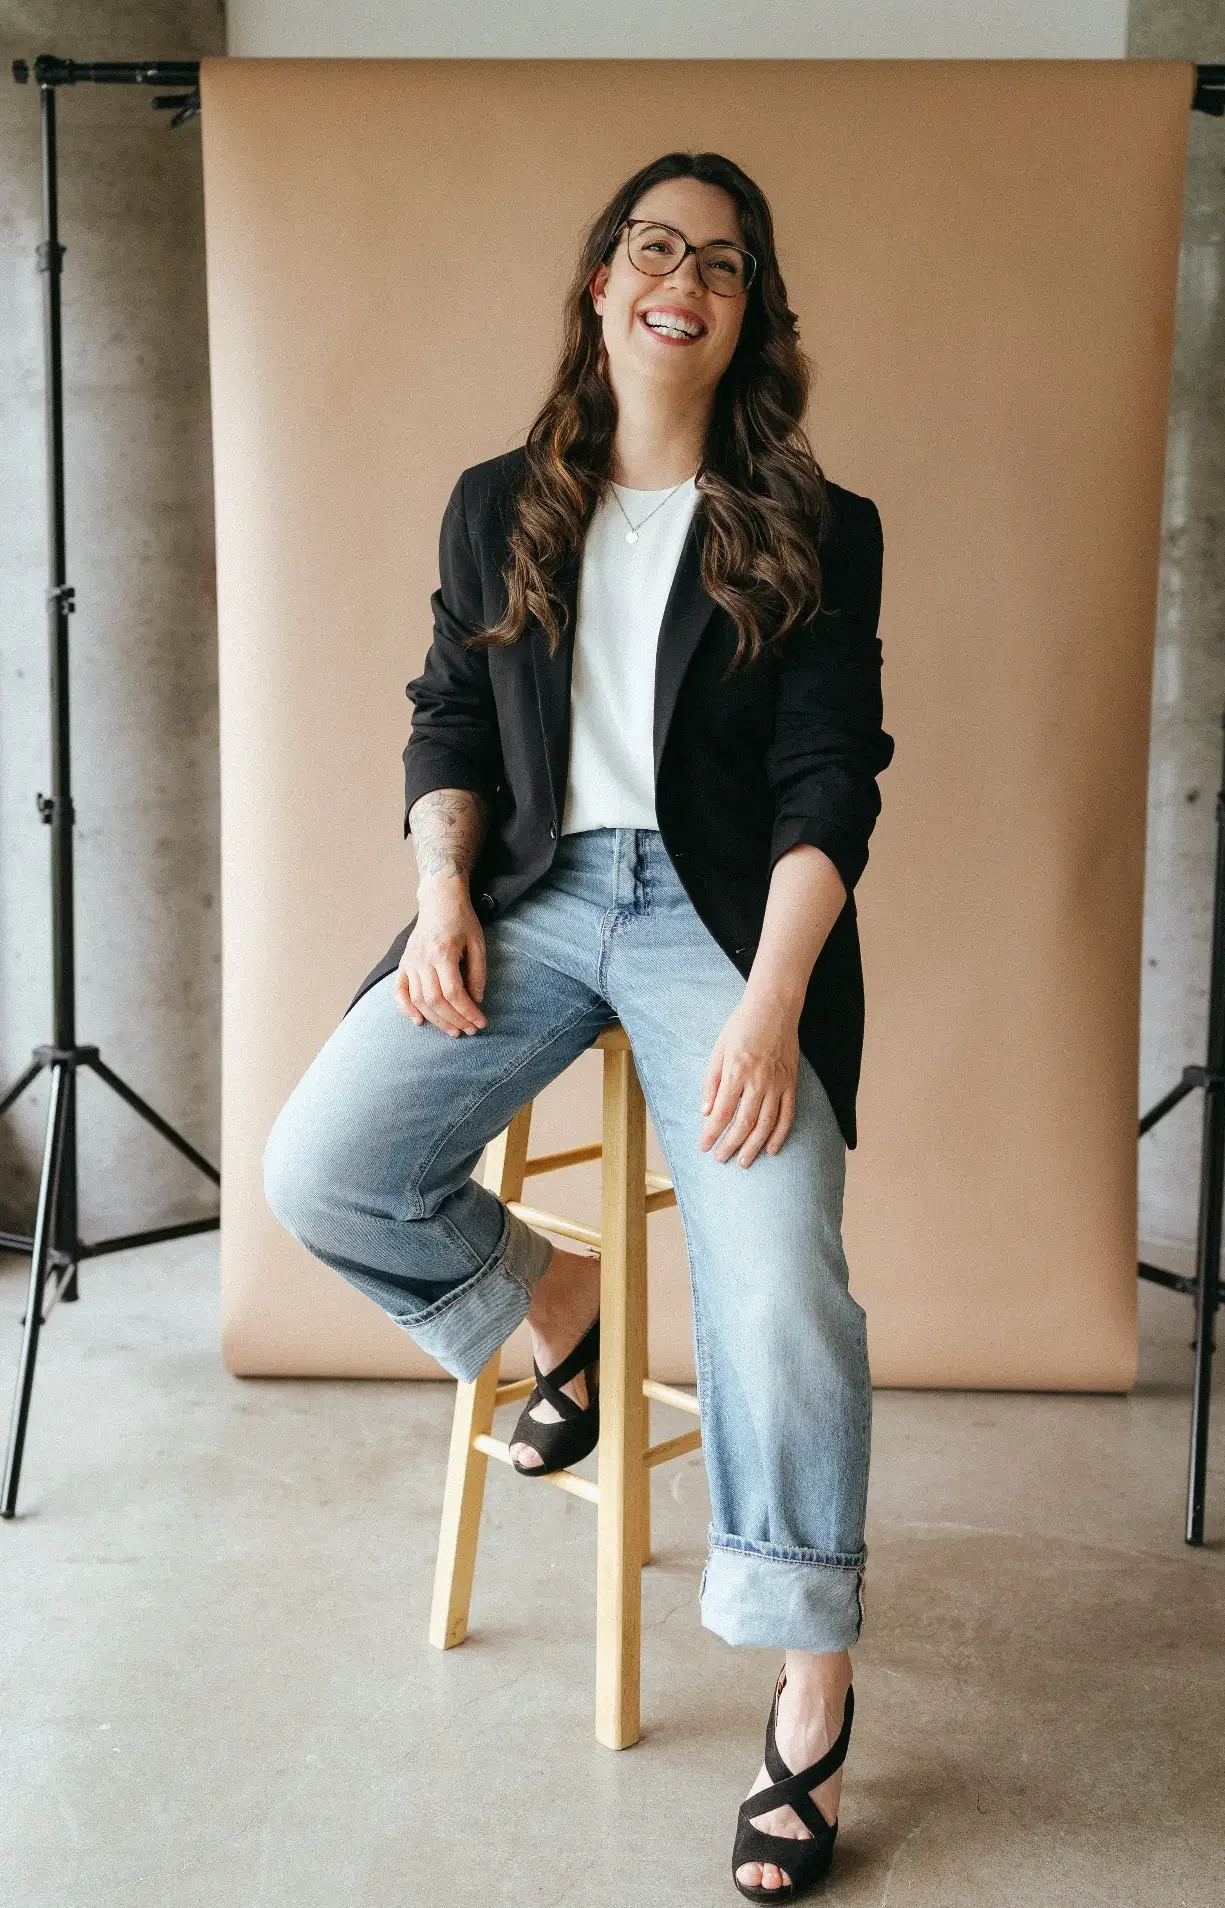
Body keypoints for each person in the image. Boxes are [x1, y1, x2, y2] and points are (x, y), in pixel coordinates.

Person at [262, 150, 894, 1900]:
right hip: (532, 895)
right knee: (320, 1167)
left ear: (748, 309)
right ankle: (561, 1312)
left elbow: (827, 781)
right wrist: (442, 891)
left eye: (720, 256)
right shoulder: (499, 501)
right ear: (604, 285)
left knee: (776, 1280)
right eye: (650, 243)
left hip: (720, 921)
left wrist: (770, 1011)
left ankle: (805, 1684)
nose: (678, 273)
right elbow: (448, 716)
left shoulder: (815, 527)